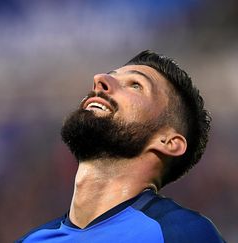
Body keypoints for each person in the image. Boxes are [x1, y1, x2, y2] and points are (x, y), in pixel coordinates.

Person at [16, 50, 225, 243]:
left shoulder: (184, 234)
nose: (99, 79)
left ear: (168, 141)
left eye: (135, 85)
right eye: (111, 76)